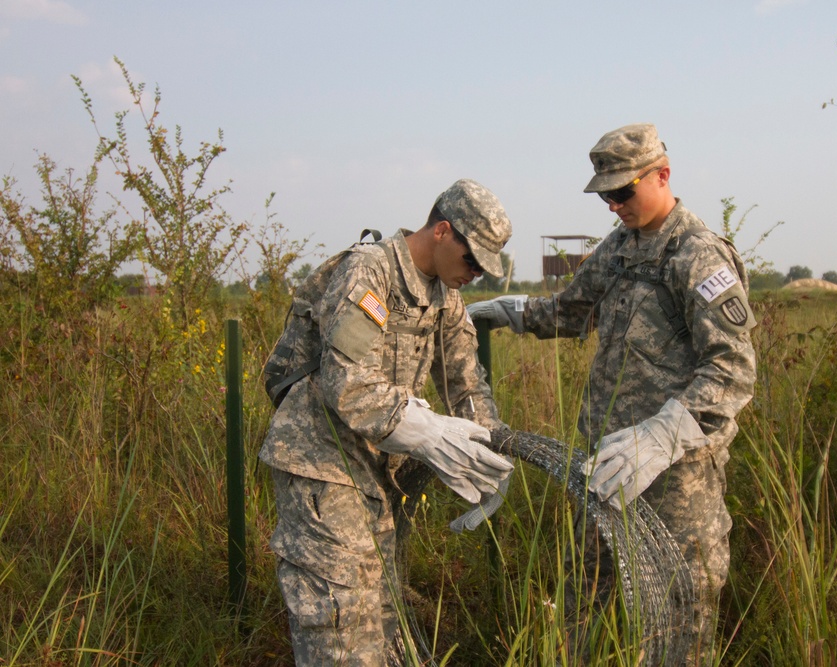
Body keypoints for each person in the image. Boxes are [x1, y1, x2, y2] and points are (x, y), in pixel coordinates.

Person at [469, 123, 757, 664]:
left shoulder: (698, 256)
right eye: (605, 195)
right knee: (589, 600)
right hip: (605, 468)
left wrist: (663, 434)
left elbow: (733, 369)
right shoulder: (621, 247)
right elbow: (569, 310)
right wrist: (511, 312)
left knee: (678, 614)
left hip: (676, 481)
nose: (613, 206)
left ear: (663, 176)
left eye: (623, 192)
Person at [260, 179, 515, 666]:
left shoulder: (445, 297)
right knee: (339, 621)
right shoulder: (370, 271)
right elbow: (347, 383)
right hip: (323, 462)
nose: (476, 275)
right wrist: (430, 432)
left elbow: (465, 384)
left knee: (383, 614)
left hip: (378, 472)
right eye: (472, 261)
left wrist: (487, 454)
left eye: (485, 268)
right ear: (442, 231)